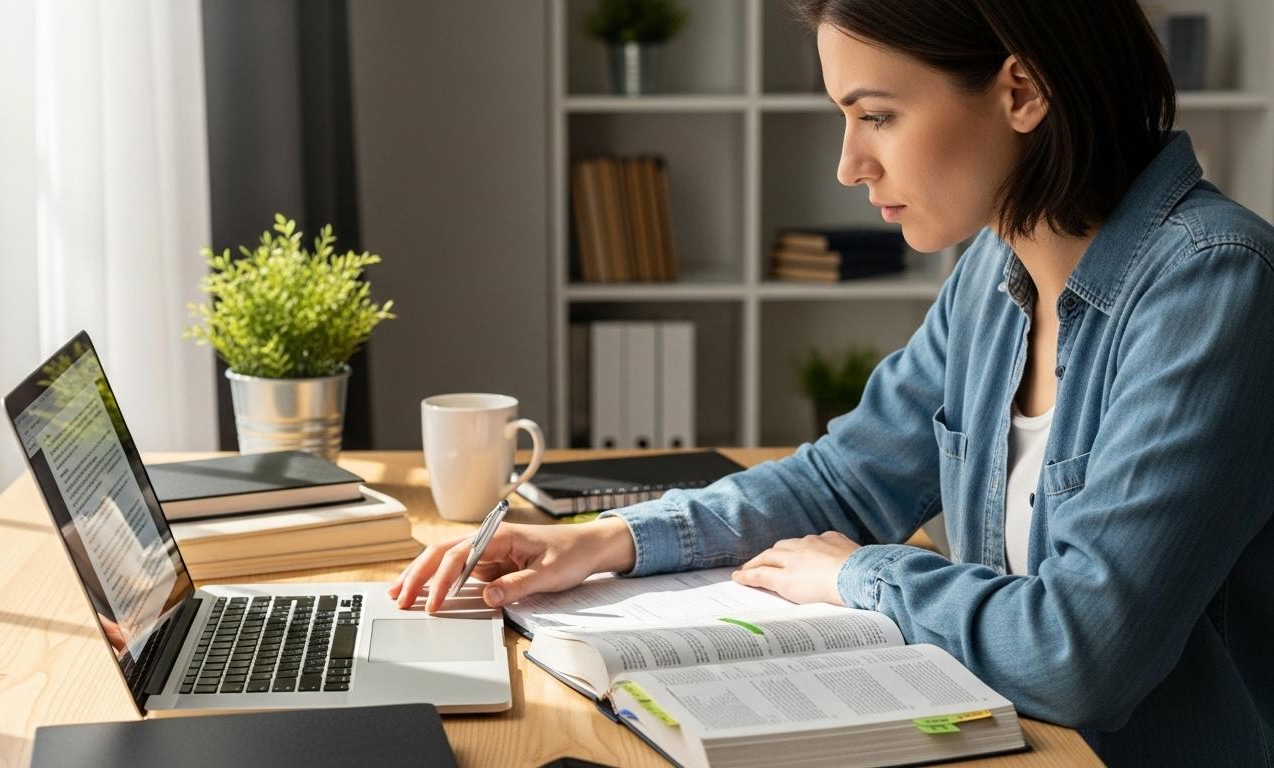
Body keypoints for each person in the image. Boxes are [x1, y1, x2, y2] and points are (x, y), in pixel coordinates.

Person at [390, 1, 1274, 764]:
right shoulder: (991, 273)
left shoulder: (1214, 284)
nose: (849, 165)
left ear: (1022, 91)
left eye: (877, 115)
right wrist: (606, 541)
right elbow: (845, 480)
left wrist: (860, 575)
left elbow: (1082, 653)